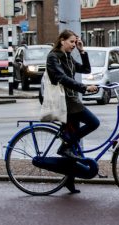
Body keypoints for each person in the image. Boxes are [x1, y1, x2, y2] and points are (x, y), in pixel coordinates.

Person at [46, 30, 99, 194]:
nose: (74, 45)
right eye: (71, 42)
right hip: (65, 102)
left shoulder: (69, 57)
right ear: (62, 40)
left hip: (72, 100)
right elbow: (62, 78)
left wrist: (82, 52)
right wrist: (84, 88)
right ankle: (65, 143)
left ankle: (69, 180)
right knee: (93, 123)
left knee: (74, 145)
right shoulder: (53, 57)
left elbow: (86, 69)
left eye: (75, 42)